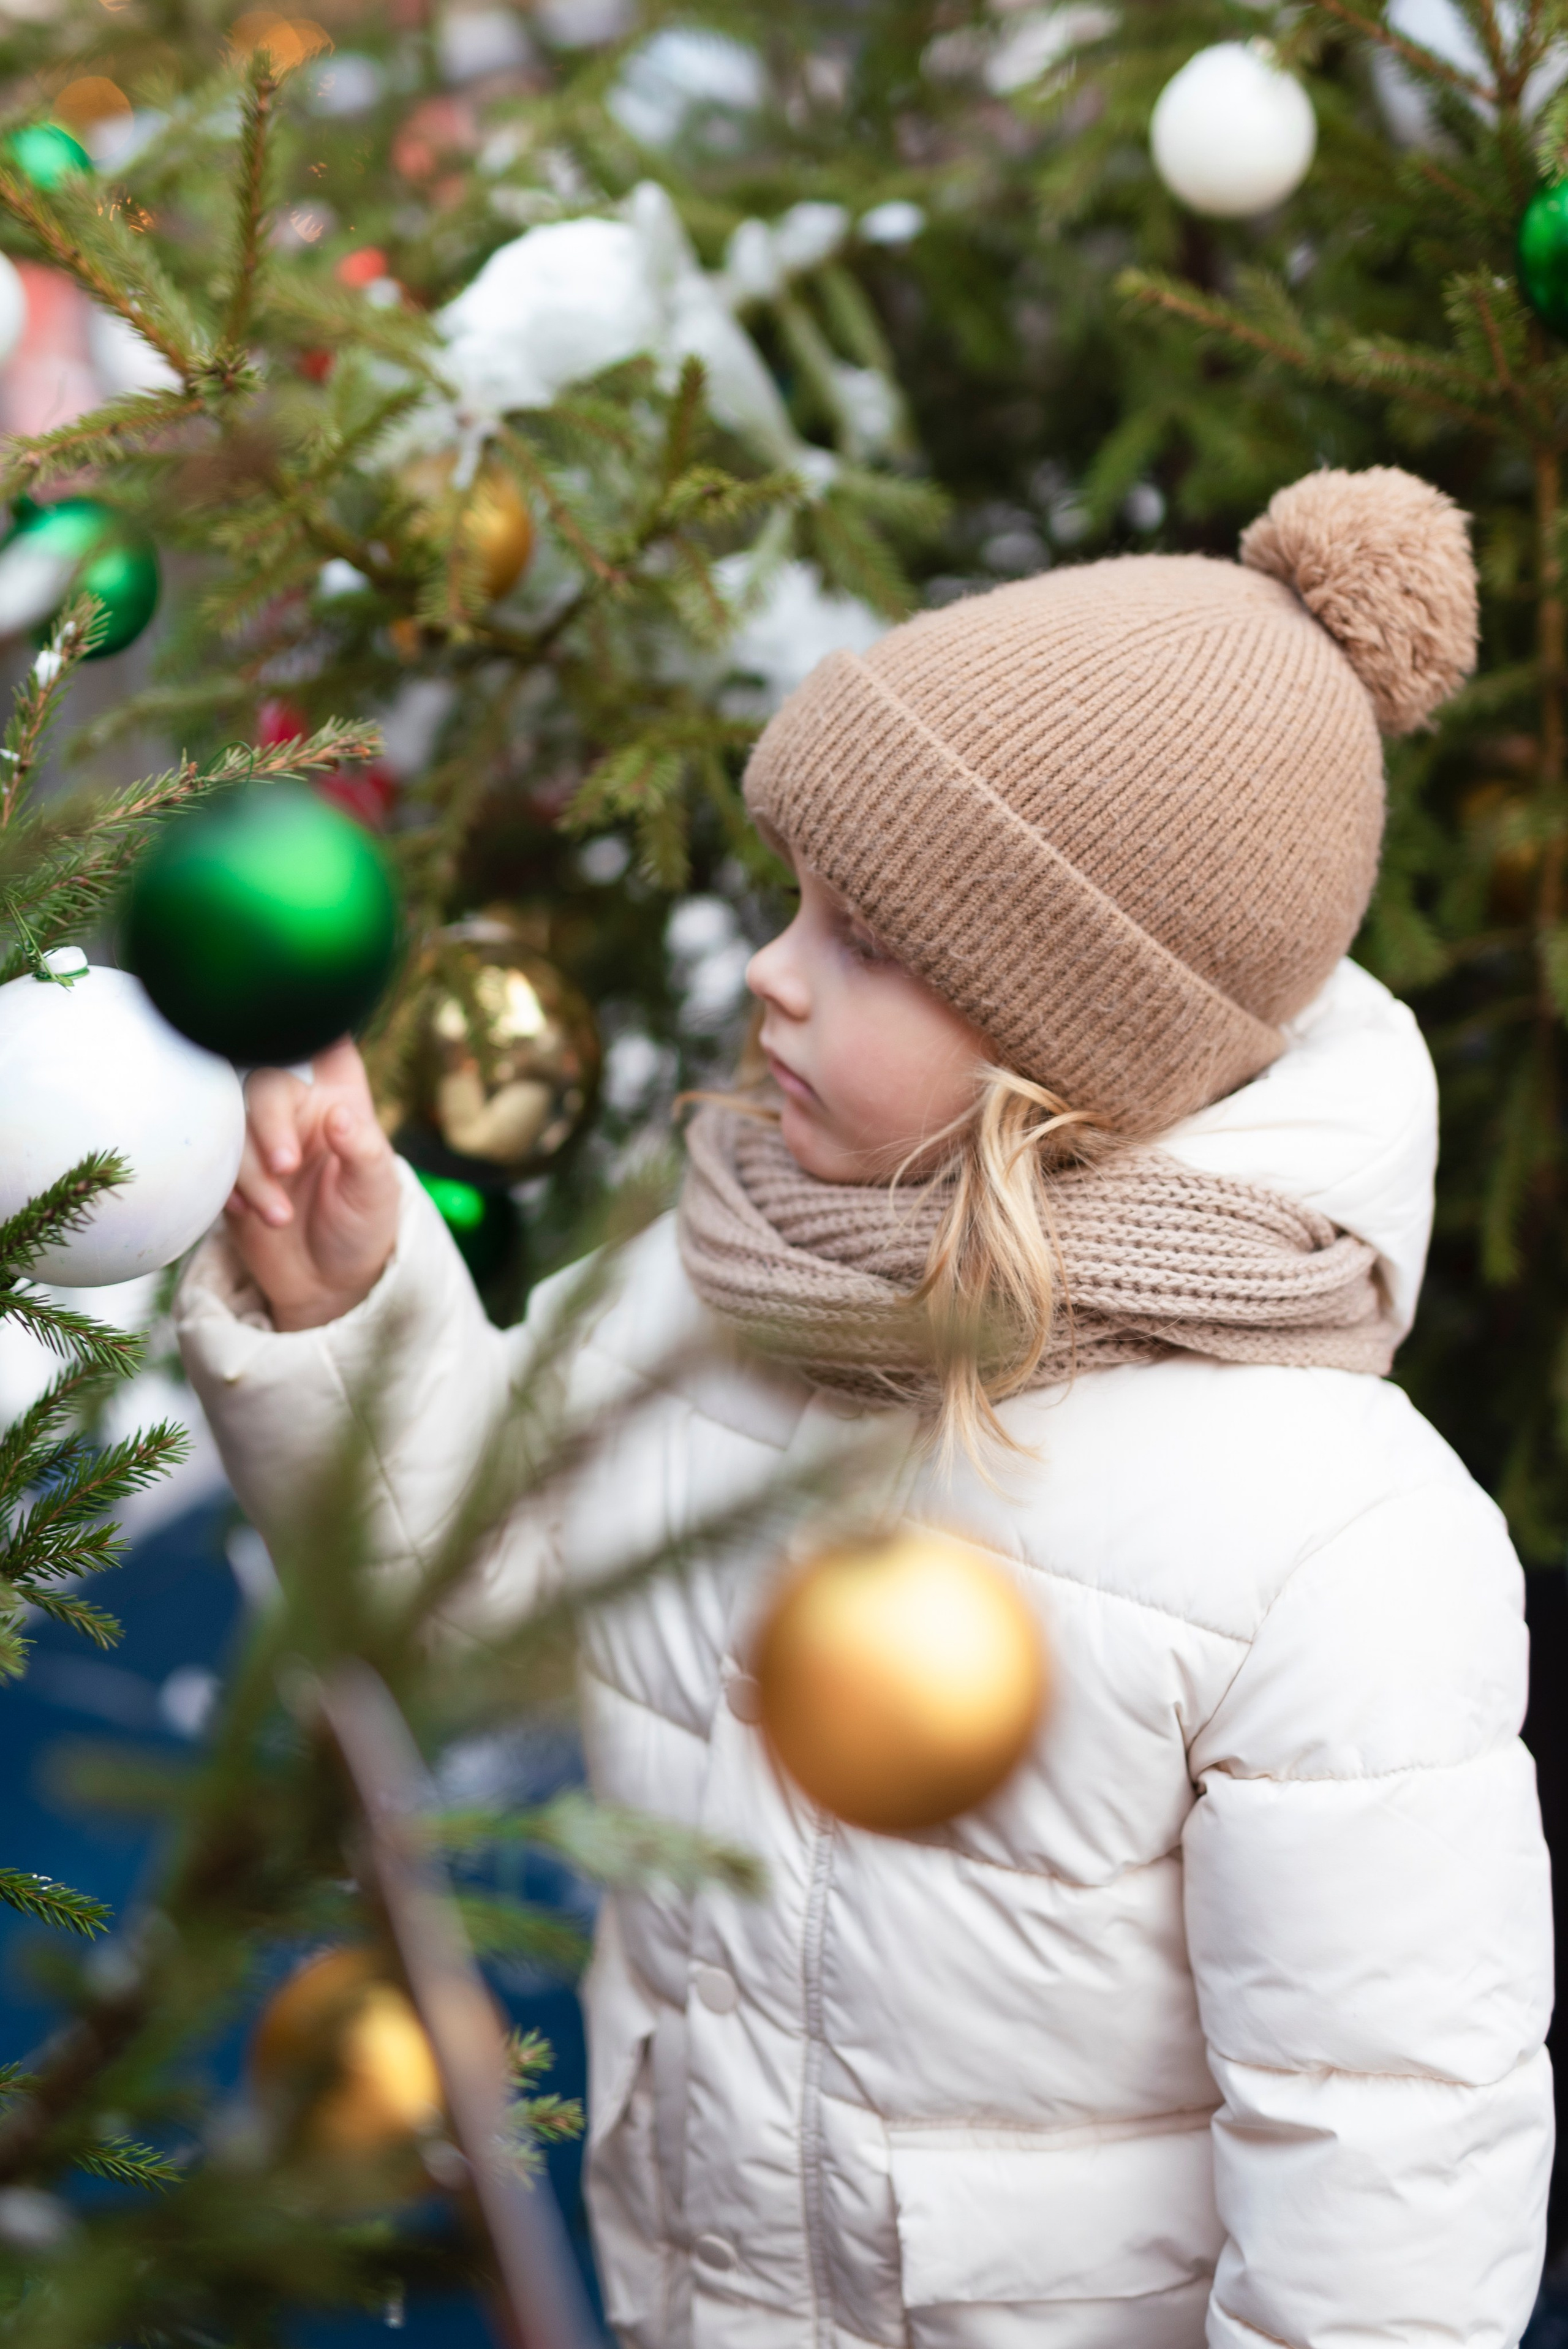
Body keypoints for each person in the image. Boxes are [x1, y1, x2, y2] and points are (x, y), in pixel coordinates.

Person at [176, 465, 1553, 2349]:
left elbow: (1385, 2175)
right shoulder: (715, 1282)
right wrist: (350, 1300)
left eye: (871, 940)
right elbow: (478, 1590)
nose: (772, 971)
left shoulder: (1331, 1538)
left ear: (1067, 1041)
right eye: (798, 903)